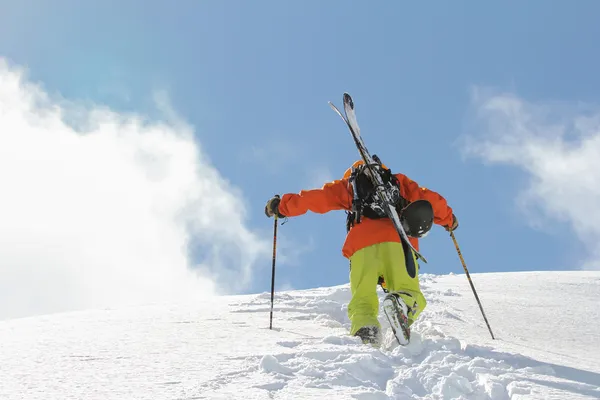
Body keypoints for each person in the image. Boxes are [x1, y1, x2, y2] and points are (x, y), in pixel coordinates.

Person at [264, 159, 458, 346]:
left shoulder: (348, 187)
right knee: (408, 289)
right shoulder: (398, 182)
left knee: (362, 298)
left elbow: (317, 198)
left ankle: (366, 331)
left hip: (362, 246)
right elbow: (430, 199)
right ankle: (403, 305)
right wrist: (449, 220)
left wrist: (282, 206)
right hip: (397, 241)